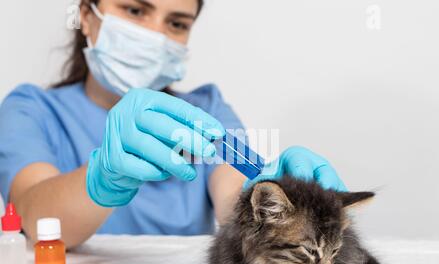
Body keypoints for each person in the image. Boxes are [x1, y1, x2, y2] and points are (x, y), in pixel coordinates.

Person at [0, 0, 345, 249]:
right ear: (87, 17)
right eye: (135, 10)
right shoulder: (31, 109)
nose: (155, 35)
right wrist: (102, 179)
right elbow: (34, 216)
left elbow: (234, 198)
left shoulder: (207, 109)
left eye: (177, 24)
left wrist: (277, 197)